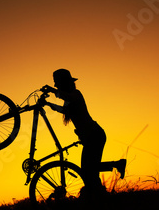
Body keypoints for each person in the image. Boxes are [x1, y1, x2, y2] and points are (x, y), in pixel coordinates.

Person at [43, 69, 126, 198]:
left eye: (57, 83)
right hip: (90, 137)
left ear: (64, 83)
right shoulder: (69, 99)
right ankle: (104, 185)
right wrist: (48, 104)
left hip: (95, 135)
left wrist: (54, 92)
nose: (56, 86)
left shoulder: (76, 94)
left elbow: (67, 97)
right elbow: (64, 109)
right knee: (89, 169)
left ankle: (98, 193)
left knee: (88, 170)